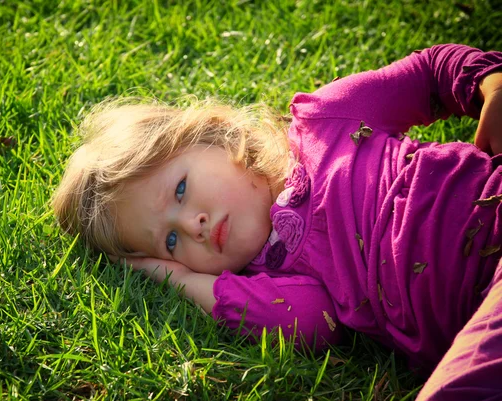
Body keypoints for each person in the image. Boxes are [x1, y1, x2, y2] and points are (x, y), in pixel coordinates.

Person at [52, 44, 502, 400]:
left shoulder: (328, 120)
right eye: (170, 240)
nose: (194, 225)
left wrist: (490, 82)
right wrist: (180, 279)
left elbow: (430, 72)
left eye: (181, 190)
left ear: (211, 135)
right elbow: (310, 323)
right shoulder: (274, 277)